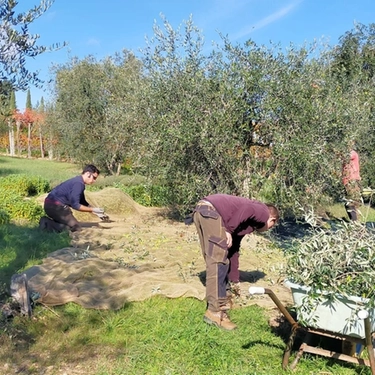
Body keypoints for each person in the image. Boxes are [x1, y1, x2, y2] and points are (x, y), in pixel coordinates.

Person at [193, 193, 279, 330]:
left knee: (216, 258)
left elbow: (233, 251)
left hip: (203, 210)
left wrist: (235, 280)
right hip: (212, 212)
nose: (268, 229)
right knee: (218, 262)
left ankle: (224, 299)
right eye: (272, 226)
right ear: (272, 219)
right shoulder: (262, 212)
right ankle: (215, 312)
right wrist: (227, 229)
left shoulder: (244, 222)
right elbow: (247, 208)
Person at [39, 164, 105, 232]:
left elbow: (82, 202)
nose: (94, 181)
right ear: (88, 174)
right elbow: (76, 205)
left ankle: (51, 223)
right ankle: (47, 223)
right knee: (76, 228)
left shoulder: (78, 181)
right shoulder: (78, 184)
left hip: (50, 205)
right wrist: (92, 209)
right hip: (56, 207)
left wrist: (96, 212)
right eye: (94, 178)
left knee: (68, 225)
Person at [342, 147, 361, 221]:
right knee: (349, 203)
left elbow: (347, 157)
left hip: (351, 180)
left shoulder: (353, 153)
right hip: (347, 181)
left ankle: (355, 222)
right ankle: (354, 222)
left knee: (351, 203)